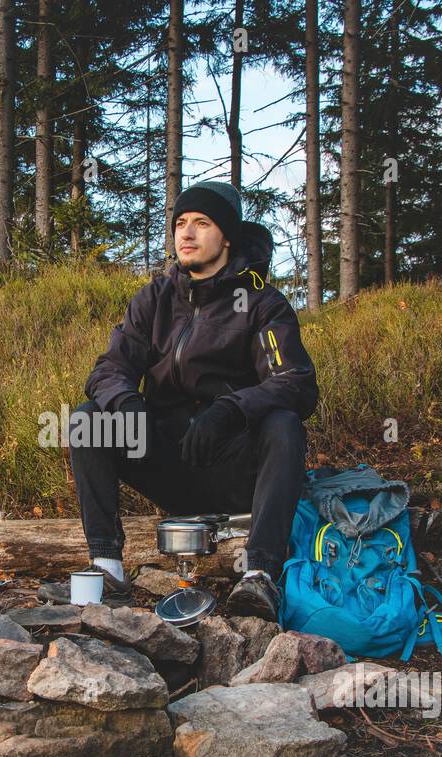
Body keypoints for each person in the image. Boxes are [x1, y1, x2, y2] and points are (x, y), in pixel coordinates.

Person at [40, 180, 318, 621]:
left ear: (227, 236)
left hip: (233, 466)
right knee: (87, 420)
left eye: (202, 223)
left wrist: (230, 411)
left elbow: (296, 382)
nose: (186, 234)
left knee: (283, 423)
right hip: (168, 458)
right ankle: (108, 570)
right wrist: (128, 406)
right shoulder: (156, 298)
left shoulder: (262, 302)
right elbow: (108, 369)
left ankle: (260, 575)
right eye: (181, 223)